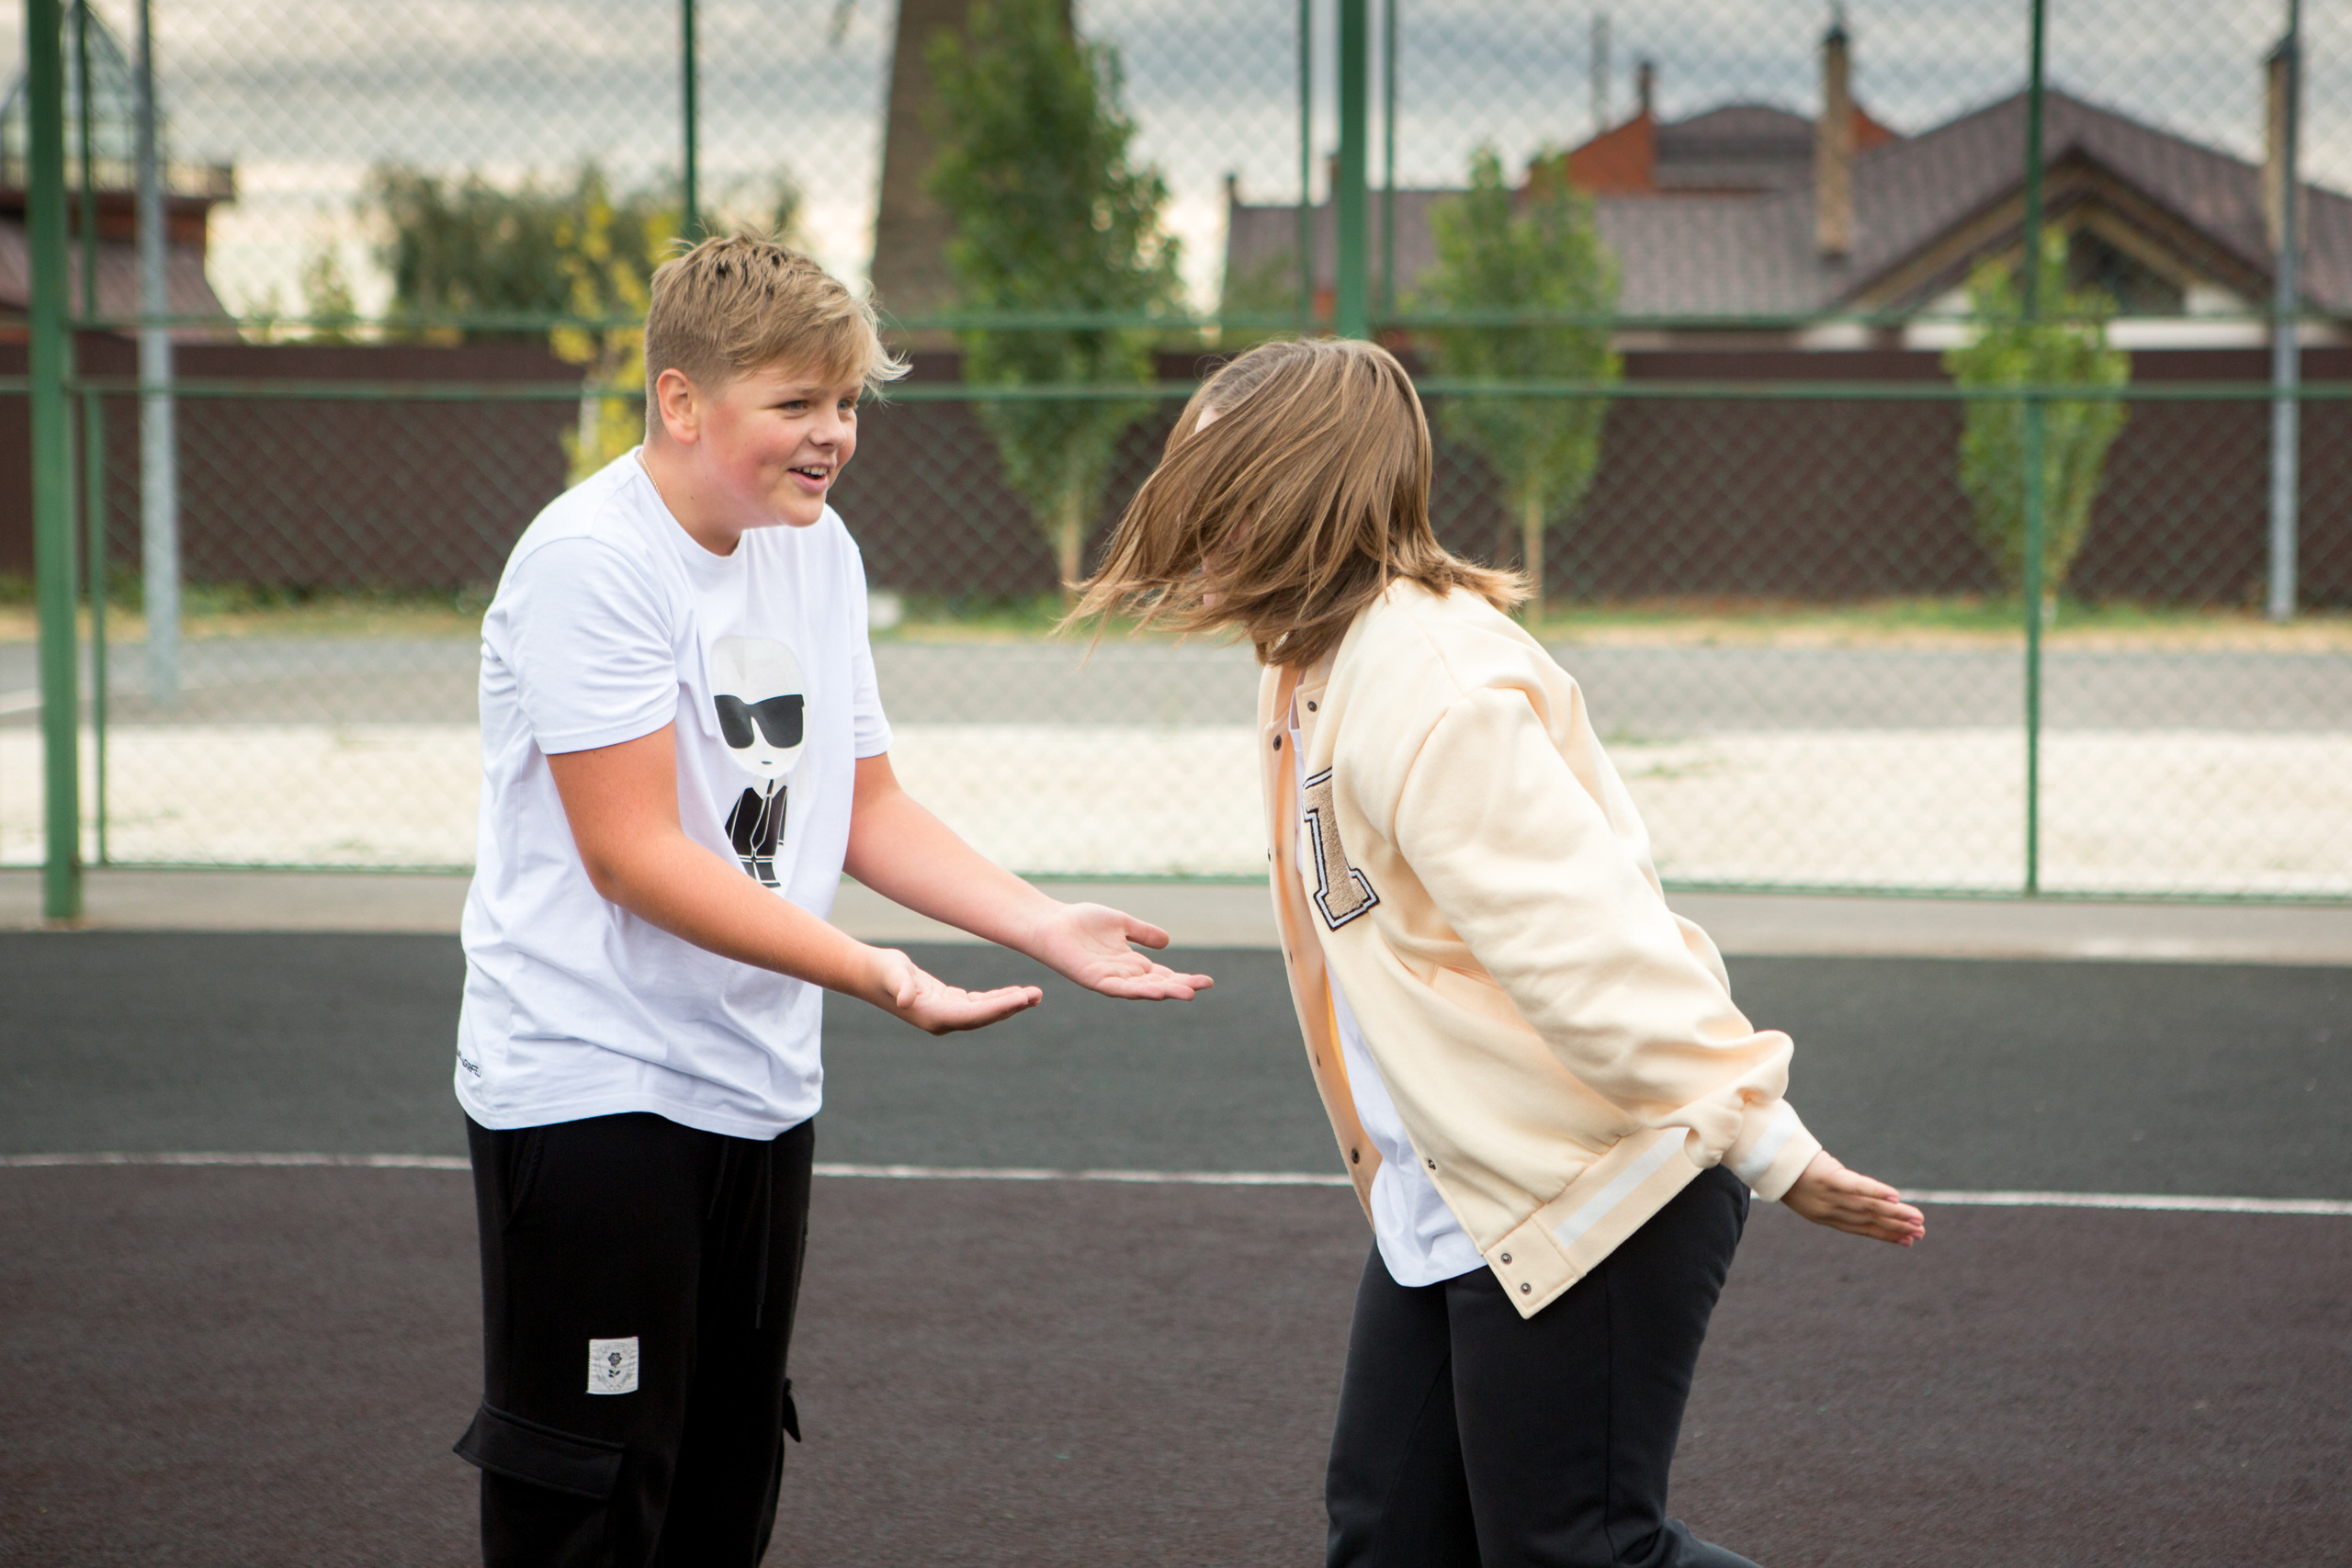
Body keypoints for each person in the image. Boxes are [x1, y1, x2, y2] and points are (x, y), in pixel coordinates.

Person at [1071, 337, 1923, 1568]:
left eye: (1216, 495)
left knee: (1576, 1550)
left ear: (1295, 493)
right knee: (1390, 1539)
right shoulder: (1309, 660)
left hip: (1602, 1181)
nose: (1190, 527)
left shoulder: (1434, 689)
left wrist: (1767, 1142)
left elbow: (1592, 949)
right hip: (1458, 1186)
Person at [451, 231, 1213, 1567]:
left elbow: (866, 808)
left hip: (757, 1083)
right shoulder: (591, 561)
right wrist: (874, 973)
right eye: (797, 402)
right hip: (595, 1082)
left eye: (848, 401)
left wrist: (1039, 922)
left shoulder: (816, 549)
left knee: (724, 1484)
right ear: (682, 401)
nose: (835, 434)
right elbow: (632, 855)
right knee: (594, 1500)